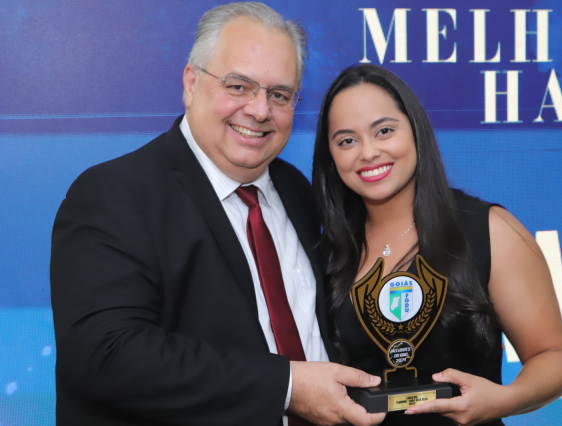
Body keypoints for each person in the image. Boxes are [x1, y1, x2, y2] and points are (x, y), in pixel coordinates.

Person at [50, 4, 385, 426]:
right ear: (191, 83)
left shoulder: (295, 189)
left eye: (279, 95)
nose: (260, 111)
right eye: (239, 86)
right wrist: (287, 386)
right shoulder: (114, 194)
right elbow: (105, 354)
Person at [312, 64, 562, 426]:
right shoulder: (322, 252)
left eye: (384, 130)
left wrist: (504, 400)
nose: (368, 152)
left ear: (415, 130)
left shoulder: (490, 230)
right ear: (330, 155)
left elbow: (555, 357)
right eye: (346, 140)